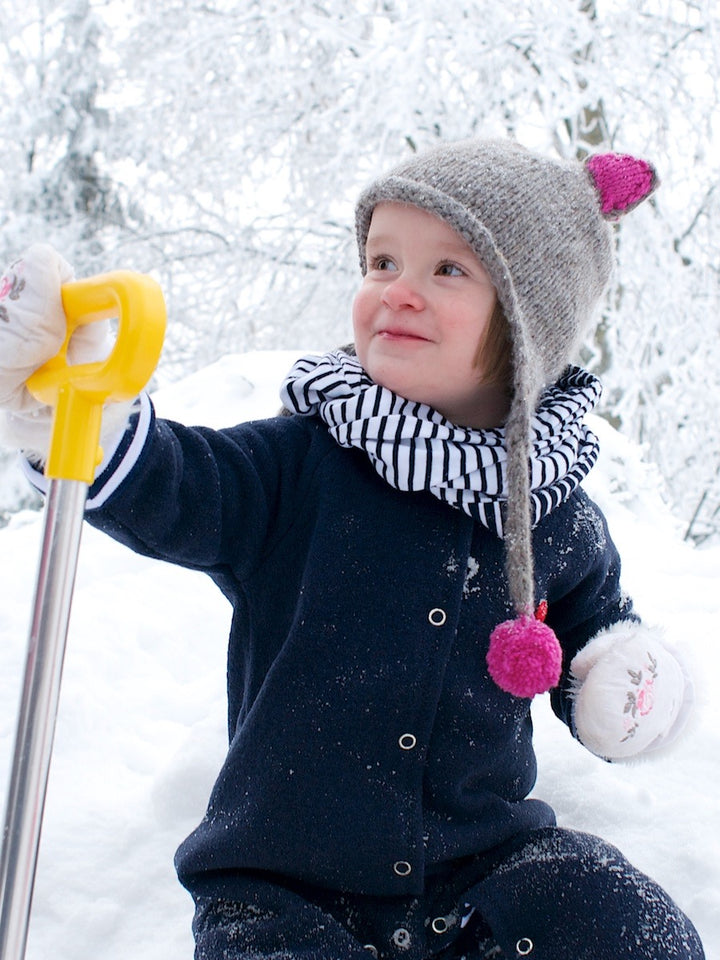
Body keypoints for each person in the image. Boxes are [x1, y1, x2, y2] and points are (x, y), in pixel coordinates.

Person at [0, 140, 705, 959]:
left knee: (619, 918)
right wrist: (80, 419)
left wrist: (621, 682)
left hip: (480, 870)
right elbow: (182, 486)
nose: (397, 291)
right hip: (283, 889)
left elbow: (596, 626)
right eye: (381, 260)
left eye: (448, 271)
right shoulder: (303, 465)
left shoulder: (553, 509)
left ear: (528, 321)